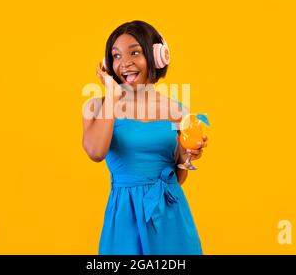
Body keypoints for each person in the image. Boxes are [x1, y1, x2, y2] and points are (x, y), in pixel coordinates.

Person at [82, 20, 207, 254]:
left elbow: (177, 178)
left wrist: (186, 154)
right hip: (124, 216)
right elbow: (96, 152)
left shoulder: (177, 110)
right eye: (116, 56)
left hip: (170, 215)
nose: (125, 63)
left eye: (135, 53)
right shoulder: (97, 107)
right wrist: (112, 95)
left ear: (157, 56)